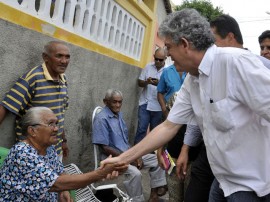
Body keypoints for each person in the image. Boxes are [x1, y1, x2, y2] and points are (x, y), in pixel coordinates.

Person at [101, 9, 270, 202]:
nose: (167, 54)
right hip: (223, 182)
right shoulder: (193, 80)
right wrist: (122, 159)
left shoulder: (234, 63)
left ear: (184, 44)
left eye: (169, 47)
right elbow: (168, 126)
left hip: (253, 188)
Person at [178, 14, 270, 202]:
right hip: (219, 165)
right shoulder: (206, 72)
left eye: (211, 42)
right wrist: (186, 148)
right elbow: (204, 111)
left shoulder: (250, 64)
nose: (206, 48)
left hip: (249, 176)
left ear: (230, 37)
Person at [0, 107, 126, 201]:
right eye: (50, 124)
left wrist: (64, 190)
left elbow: (60, 172)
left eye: (56, 123)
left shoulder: (48, 148)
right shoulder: (22, 153)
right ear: (32, 131)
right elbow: (56, 183)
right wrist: (101, 173)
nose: (56, 129)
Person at [92, 89, 167, 202]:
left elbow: (125, 142)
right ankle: (137, 200)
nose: (118, 105)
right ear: (106, 102)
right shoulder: (101, 118)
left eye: (120, 102)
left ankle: (154, 196)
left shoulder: (118, 115)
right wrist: (129, 158)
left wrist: (136, 155)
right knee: (135, 174)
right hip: (112, 159)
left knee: (157, 160)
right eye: (114, 102)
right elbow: (104, 148)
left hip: (127, 155)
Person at [0, 41, 70, 161]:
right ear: (45, 58)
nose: (64, 61)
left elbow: (59, 113)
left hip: (54, 150)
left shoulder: (63, 79)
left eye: (67, 57)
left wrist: (63, 141)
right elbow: (6, 107)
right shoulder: (33, 78)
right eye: (59, 56)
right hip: (33, 152)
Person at [156, 63, 187, 201]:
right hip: (173, 153)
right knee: (174, 195)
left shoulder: (204, 100)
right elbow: (166, 127)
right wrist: (159, 151)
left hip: (192, 159)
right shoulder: (175, 98)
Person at [133, 47, 166, 145]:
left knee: (154, 133)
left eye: (161, 60)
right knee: (141, 129)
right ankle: (135, 155)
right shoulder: (148, 67)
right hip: (145, 103)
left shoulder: (168, 71)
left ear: (165, 58)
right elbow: (139, 82)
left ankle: (150, 154)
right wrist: (147, 82)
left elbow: (169, 89)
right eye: (156, 59)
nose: (158, 61)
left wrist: (159, 84)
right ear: (154, 57)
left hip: (158, 107)